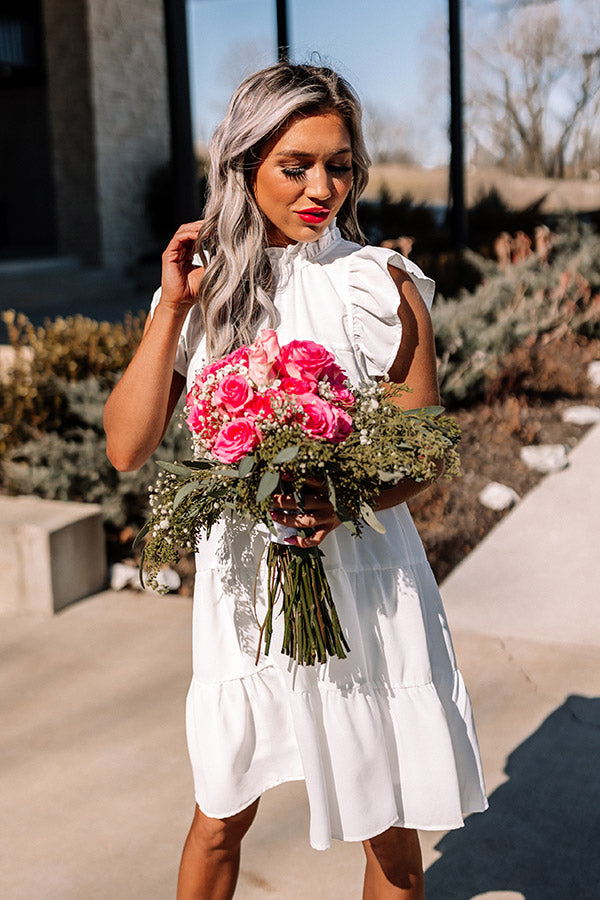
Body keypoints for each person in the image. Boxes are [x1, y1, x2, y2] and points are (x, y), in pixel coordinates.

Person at [104, 62, 487, 900]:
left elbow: (424, 449)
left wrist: (343, 499)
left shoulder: (378, 282)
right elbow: (127, 447)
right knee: (220, 813)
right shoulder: (205, 287)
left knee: (388, 824)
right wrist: (173, 309)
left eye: (339, 165)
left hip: (368, 581)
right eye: (296, 165)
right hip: (247, 588)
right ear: (244, 166)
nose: (322, 188)